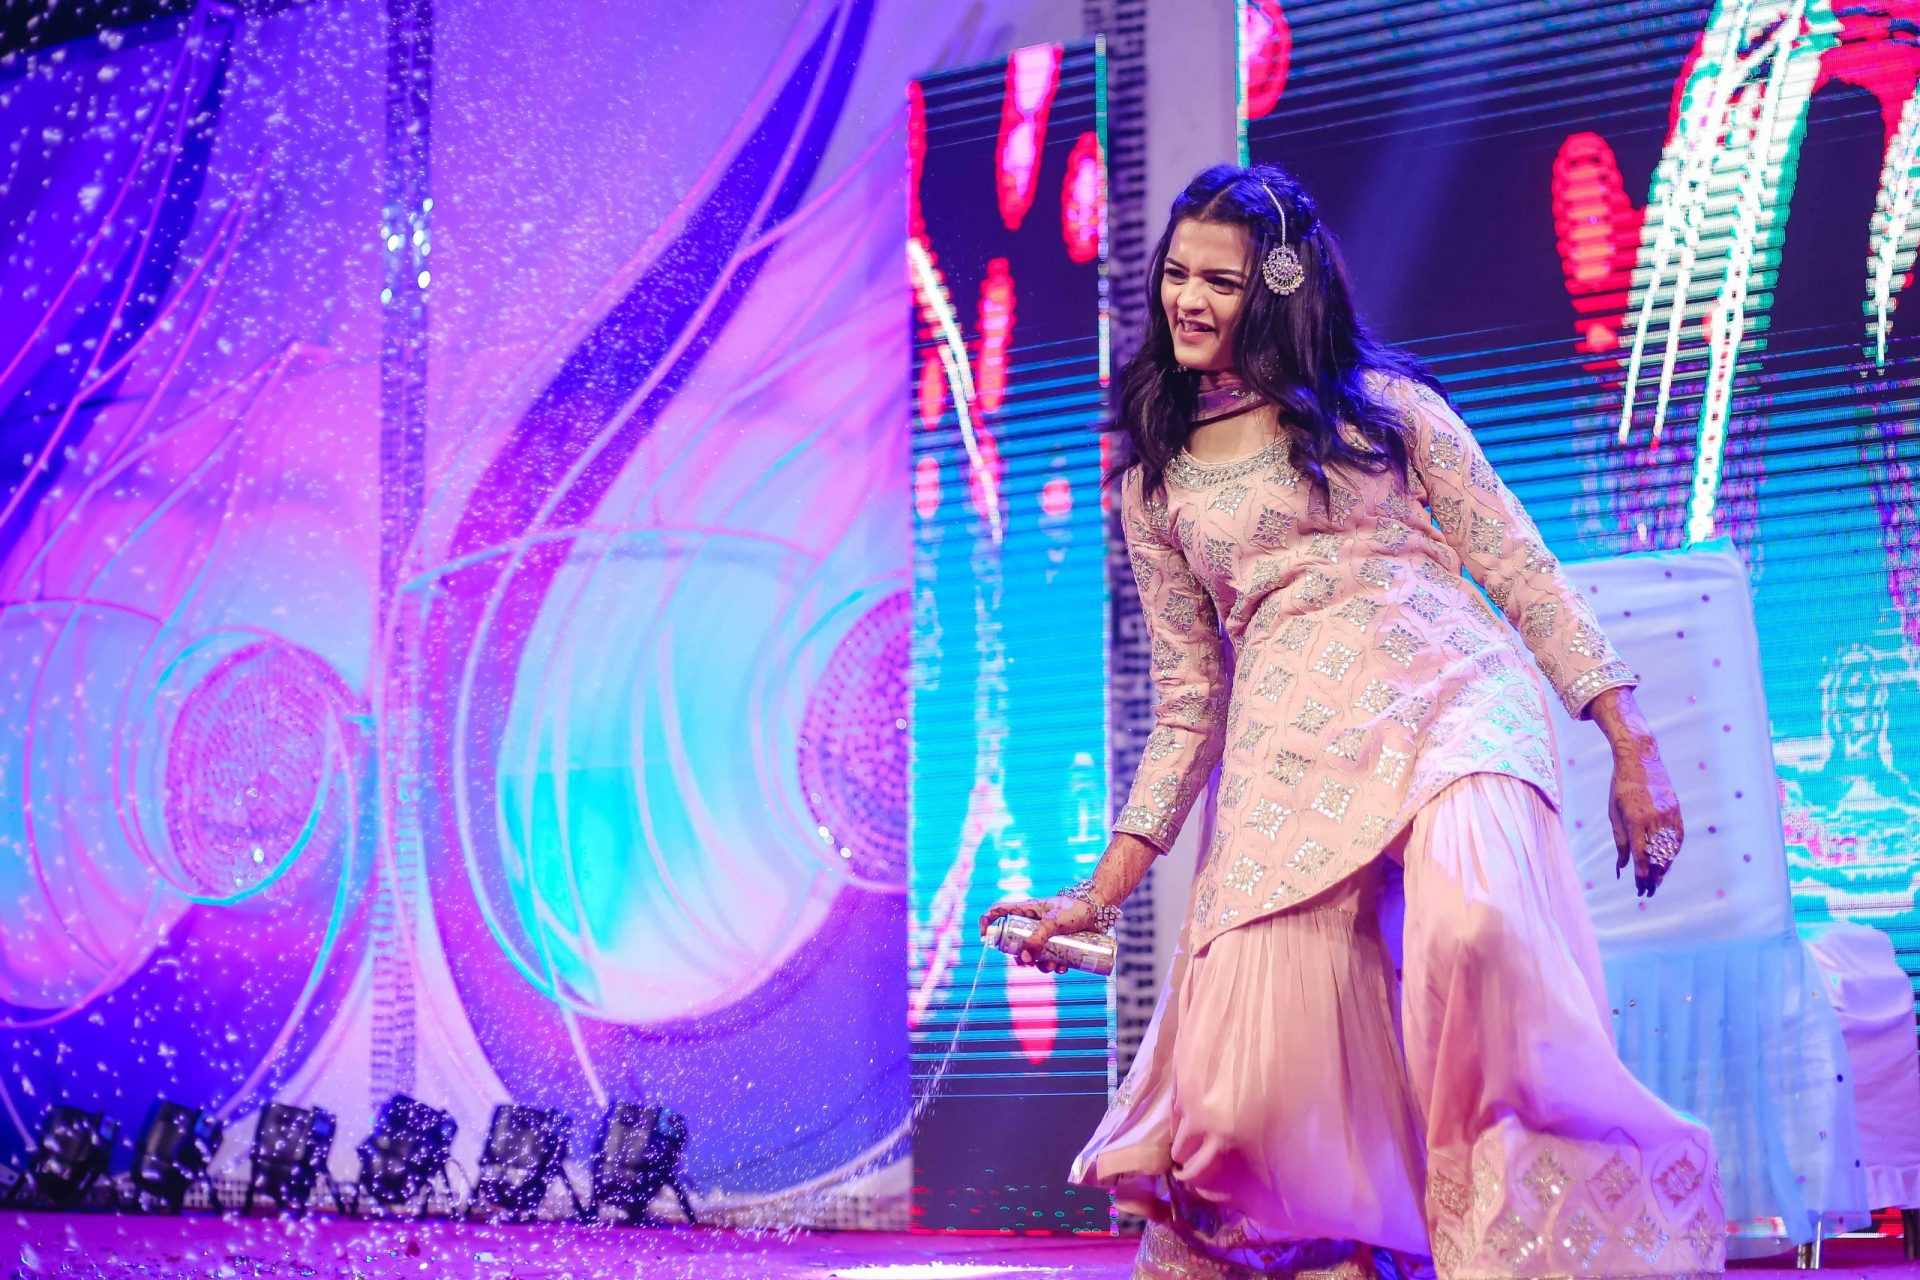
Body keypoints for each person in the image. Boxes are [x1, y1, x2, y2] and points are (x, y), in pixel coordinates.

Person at [980, 164, 1726, 1280]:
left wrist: (1630, 742)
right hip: (1290, 747)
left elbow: (1523, 571)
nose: (1187, 299)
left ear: (1280, 287)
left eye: (1220, 281)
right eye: (1176, 274)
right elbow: (1188, 702)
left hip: (1453, 695)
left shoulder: (1388, 410)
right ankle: (1370, 1243)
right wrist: (1098, 893)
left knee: (1479, 933)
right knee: (1249, 1094)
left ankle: (1526, 1244)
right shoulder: (1155, 482)